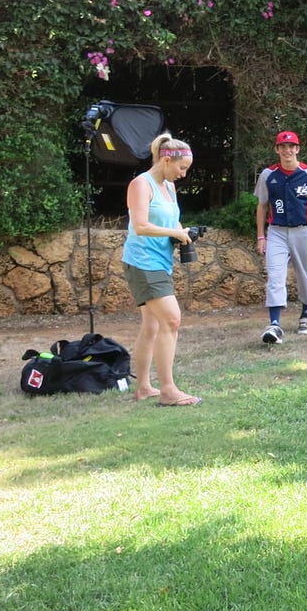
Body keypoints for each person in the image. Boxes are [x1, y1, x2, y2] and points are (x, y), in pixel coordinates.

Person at [120, 132, 202, 407]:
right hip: (143, 262)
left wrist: (183, 233)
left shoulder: (168, 187)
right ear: (167, 160)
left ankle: (143, 387)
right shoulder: (140, 185)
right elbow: (141, 225)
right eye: (182, 168)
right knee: (171, 320)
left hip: (159, 262)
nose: (183, 174)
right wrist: (175, 233)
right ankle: (168, 391)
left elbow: (171, 222)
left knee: (152, 325)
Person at [254, 130, 307, 344]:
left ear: (297, 149)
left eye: (291, 146)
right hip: (276, 231)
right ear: (277, 149)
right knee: (275, 275)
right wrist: (261, 236)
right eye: (283, 146)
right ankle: (275, 324)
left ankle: (306, 314)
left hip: (302, 231)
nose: (287, 150)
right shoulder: (268, 175)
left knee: (305, 274)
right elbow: (261, 206)